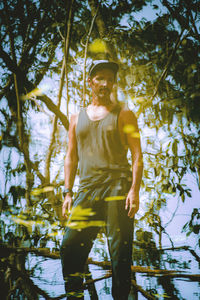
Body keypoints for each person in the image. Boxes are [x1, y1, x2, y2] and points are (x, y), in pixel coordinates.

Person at [60, 60, 143, 300]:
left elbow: (137, 155)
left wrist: (134, 191)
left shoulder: (124, 114)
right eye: (100, 78)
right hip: (86, 190)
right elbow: (71, 157)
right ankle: (74, 296)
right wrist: (67, 192)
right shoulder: (76, 118)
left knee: (119, 256)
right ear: (90, 82)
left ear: (114, 82)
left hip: (117, 187)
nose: (105, 83)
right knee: (69, 246)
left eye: (109, 79)